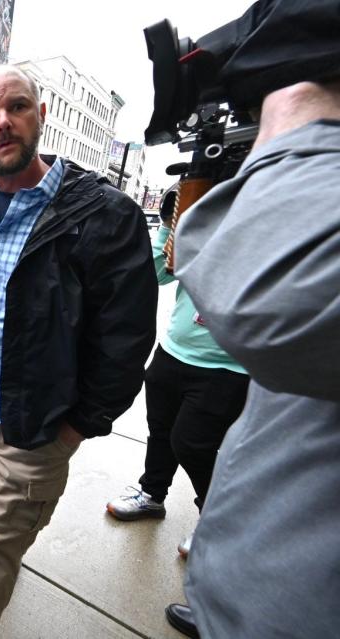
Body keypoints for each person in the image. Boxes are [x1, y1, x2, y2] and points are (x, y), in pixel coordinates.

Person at [0, 64, 157, 639]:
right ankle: (9, 553)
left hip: (38, 426)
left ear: (41, 115)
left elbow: (125, 340)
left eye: (17, 107)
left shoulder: (103, 215)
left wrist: (77, 426)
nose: (2, 123)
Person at [161, 79, 340, 639]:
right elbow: (178, 262)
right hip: (256, 581)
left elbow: (255, 297)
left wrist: (291, 129)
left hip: (298, 605)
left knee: (190, 442)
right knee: (174, 435)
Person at [106, 188, 249, 559]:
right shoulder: (199, 228)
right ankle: (153, 494)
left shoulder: (255, 231)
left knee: (193, 444)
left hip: (227, 365)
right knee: (162, 430)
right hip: (174, 352)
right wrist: (172, 223)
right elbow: (155, 271)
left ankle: (216, 521)